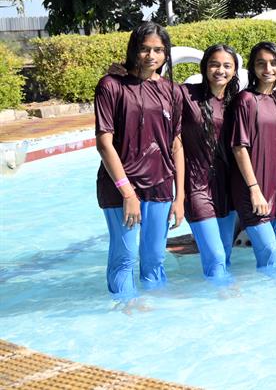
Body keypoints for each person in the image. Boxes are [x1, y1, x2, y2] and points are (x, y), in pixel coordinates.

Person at [94, 22, 184, 299]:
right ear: (134, 49)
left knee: (155, 259)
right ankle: (125, 312)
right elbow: (104, 143)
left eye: (158, 50)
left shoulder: (172, 90)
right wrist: (128, 193)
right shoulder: (112, 86)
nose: (151, 56)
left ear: (166, 53)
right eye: (145, 49)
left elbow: (176, 144)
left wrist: (180, 197)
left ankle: (154, 315)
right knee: (124, 257)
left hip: (160, 185)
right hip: (120, 186)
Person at [230, 42, 276, 270]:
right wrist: (254, 189)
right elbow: (239, 147)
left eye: (274, 63)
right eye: (261, 63)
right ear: (253, 67)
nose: (268, 69)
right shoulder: (246, 100)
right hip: (254, 191)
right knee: (269, 253)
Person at [180, 44, 241, 279]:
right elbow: (154, 88)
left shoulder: (237, 102)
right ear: (205, 67)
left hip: (227, 187)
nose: (220, 70)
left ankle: (220, 299)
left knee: (225, 254)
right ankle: (221, 295)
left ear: (234, 71)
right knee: (215, 257)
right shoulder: (186, 95)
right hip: (196, 186)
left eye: (227, 66)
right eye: (214, 64)